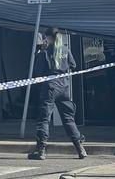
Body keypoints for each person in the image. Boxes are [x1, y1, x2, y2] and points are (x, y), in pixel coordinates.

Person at [28, 27, 87, 160]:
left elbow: (38, 72)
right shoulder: (66, 50)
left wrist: (39, 53)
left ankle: (41, 151)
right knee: (68, 119)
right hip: (64, 87)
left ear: (49, 38)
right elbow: (73, 65)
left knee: (44, 119)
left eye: (46, 37)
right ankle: (80, 149)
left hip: (49, 88)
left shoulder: (45, 52)